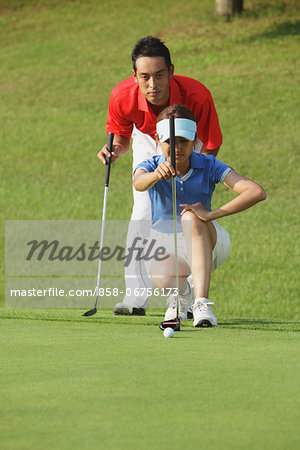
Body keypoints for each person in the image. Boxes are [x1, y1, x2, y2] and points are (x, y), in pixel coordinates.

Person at [98, 36, 223, 315]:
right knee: (142, 211)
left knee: (189, 213)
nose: (152, 85)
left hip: (188, 141)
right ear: (134, 76)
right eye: (144, 77)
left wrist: (196, 176)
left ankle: (189, 297)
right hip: (147, 138)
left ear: (171, 71)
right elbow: (121, 139)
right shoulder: (121, 96)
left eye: (159, 75)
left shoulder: (197, 96)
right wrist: (113, 151)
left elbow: (211, 144)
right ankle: (135, 296)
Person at [133, 104, 266, 326]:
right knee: (164, 279)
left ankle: (202, 304)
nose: (176, 148)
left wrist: (212, 214)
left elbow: (256, 192)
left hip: (208, 241)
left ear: (194, 141)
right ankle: (180, 296)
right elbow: (139, 183)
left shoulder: (209, 164)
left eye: (183, 141)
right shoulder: (150, 166)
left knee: (190, 216)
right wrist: (156, 175)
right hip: (167, 245)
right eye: (169, 142)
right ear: (157, 140)